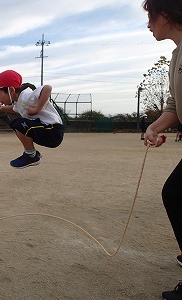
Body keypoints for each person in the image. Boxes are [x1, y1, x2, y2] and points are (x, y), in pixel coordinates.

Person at [143, 0, 182, 298]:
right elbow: (174, 106)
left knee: (176, 193)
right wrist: (154, 127)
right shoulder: (175, 56)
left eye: (151, 17)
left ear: (165, 14)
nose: (148, 24)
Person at [0, 70, 64, 168]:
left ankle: (31, 155)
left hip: (52, 131)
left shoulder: (26, 96)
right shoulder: (19, 102)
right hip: (46, 131)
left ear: (11, 90)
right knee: (15, 124)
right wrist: (3, 108)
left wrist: (37, 109)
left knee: (18, 124)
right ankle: (32, 154)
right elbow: (15, 109)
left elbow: (47, 88)